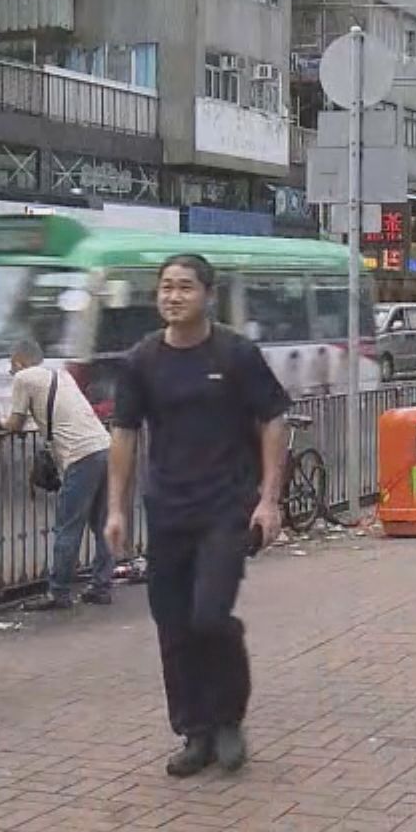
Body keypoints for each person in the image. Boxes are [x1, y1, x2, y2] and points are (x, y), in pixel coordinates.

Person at [105, 254, 290, 778]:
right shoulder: (142, 360)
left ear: (207, 294)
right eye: (165, 287)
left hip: (225, 509)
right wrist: (116, 509)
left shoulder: (234, 354)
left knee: (210, 615)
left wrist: (268, 499)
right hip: (167, 511)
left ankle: (228, 719)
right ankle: (195, 731)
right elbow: (124, 433)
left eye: (185, 287)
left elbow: (274, 418)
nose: (173, 296)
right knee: (173, 625)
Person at [1, 340, 116, 610]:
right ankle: (101, 587)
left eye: (11, 366)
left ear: (18, 361)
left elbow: (15, 425)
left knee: (68, 526)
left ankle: (59, 592)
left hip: (80, 455)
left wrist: (1, 421)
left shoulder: (23, 377)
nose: (11, 371)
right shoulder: (60, 374)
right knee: (102, 525)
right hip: (104, 446)